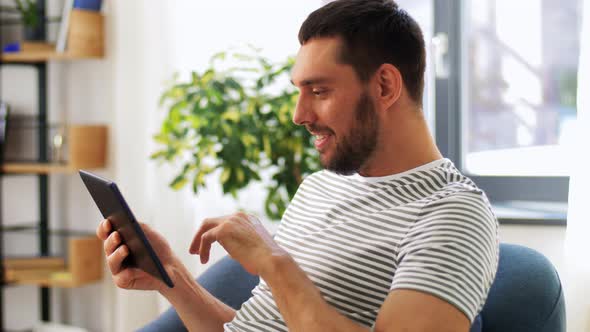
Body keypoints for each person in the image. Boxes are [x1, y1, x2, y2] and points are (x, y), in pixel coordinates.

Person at [96, 0, 499, 331]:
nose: (299, 114)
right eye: (299, 92)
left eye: (319, 91)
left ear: (385, 86)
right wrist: (172, 277)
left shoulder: (452, 213)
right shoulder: (320, 187)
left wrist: (275, 263)